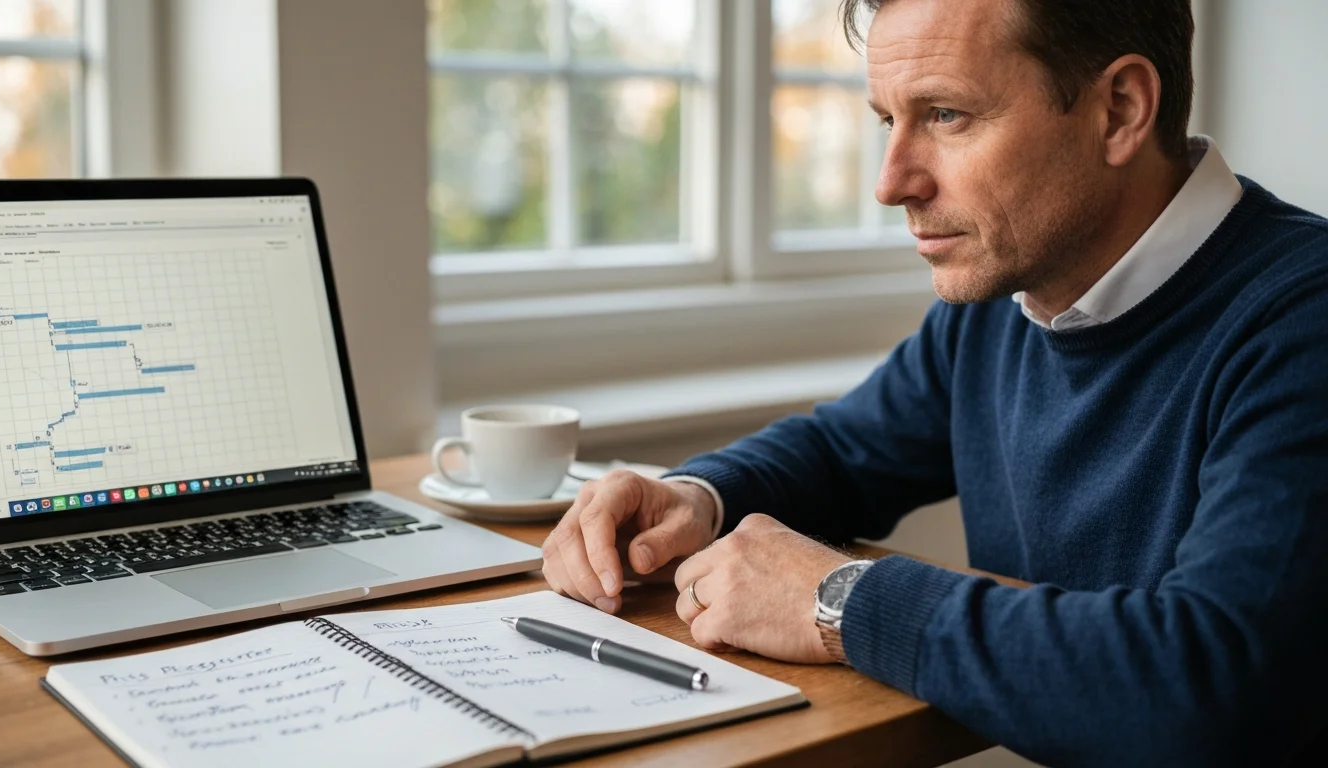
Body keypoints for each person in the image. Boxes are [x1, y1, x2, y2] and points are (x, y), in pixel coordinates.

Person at [539, 0, 1328, 763]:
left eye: (946, 115)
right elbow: (847, 451)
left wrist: (842, 599)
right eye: (889, 119)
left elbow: (1210, 692)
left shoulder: (1304, 318)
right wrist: (694, 496)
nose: (891, 182)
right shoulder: (1010, 290)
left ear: (1120, 109)